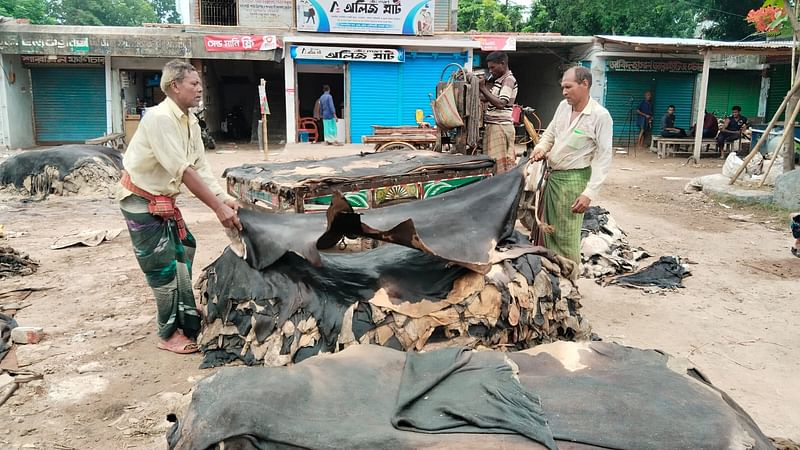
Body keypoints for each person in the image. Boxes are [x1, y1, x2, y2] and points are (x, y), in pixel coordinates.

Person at [119, 59, 242, 355]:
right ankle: (167, 333)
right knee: (161, 269)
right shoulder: (159, 118)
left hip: (163, 201)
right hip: (142, 201)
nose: (200, 89)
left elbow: (201, 168)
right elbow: (183, 170)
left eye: (200, 84)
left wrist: (224, 199)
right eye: (194, 84)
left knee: (183, 251)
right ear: (175, 86)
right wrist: (217, 209)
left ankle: (185, 317)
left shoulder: (189, 121)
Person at [531, 66, 613, 275]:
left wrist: (589, 194)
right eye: (562, 87)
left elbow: (604, 158)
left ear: (585, 84)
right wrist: (541, 148)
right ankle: (552, 279)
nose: (564, 92)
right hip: (553, 178)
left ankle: (571, 282)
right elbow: (550, 133)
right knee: (547, 231)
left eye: (568, 87)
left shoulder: (599, 116)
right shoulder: (563, 107)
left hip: (574, 181)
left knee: (566, 235)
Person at [479, 51, 518, 173]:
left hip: (500, 127)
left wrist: (483, 88)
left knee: (500, 166)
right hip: (494, 126)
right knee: (492, 162)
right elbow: (487, 98)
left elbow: (501, 103)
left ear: (502, 64)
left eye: (492, 67)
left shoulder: (508, 80)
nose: (490, 71)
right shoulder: (499, 80)